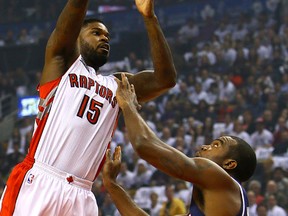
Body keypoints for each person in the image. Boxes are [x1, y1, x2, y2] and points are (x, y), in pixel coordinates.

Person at [0, 0, 176, 214]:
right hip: (41, 179)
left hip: (82, 194)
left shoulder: (118, 85)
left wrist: (150, 19)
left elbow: (165, 79)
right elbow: (75, 8)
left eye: (107, 36)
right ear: (76, 37)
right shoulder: (63, 63)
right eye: (96, 32)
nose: (104, 38)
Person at [109, 73, 257, 215]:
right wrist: (111, 184)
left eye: (216, 145)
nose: (205, 147)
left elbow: (144, 145)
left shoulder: (222, 180)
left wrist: (128, 105)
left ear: (229, 164)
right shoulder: (219, 200)